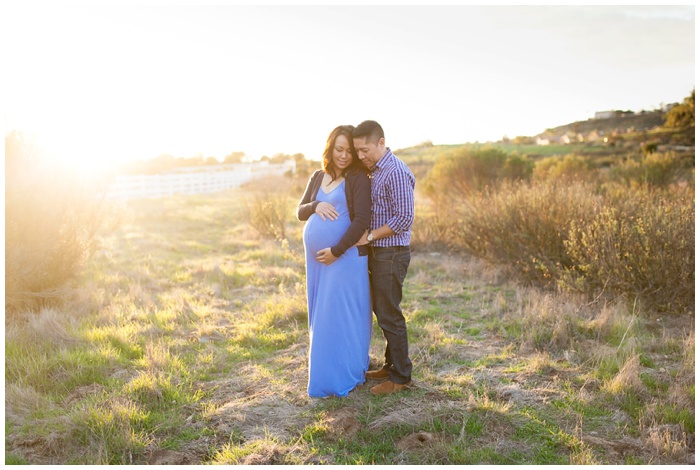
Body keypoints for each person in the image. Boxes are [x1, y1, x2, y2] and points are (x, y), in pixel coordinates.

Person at [297, 125, 372, 398]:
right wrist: (316, 206)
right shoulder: (318, 176)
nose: (343, 156)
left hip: (344, 258)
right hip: (317, 262)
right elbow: (300, 211)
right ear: (330, 148)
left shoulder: (358, 178)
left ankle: (345, 374)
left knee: (340, 317)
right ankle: (324, 372)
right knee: (322, 315)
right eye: (338, 149)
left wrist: (336, 251)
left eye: (349, 151)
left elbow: (362, 220)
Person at [353, 120, 416, 396]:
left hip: (391, 252)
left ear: (381, 142)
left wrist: (370, 236)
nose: (361, 156)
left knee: (390, 314)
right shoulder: (375, 171)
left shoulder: (395, 171)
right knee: (383, 310)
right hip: (381, 252)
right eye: (357, 151)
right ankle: (391, 366)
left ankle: (401, 377)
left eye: (365, 149)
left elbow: (404, 218)